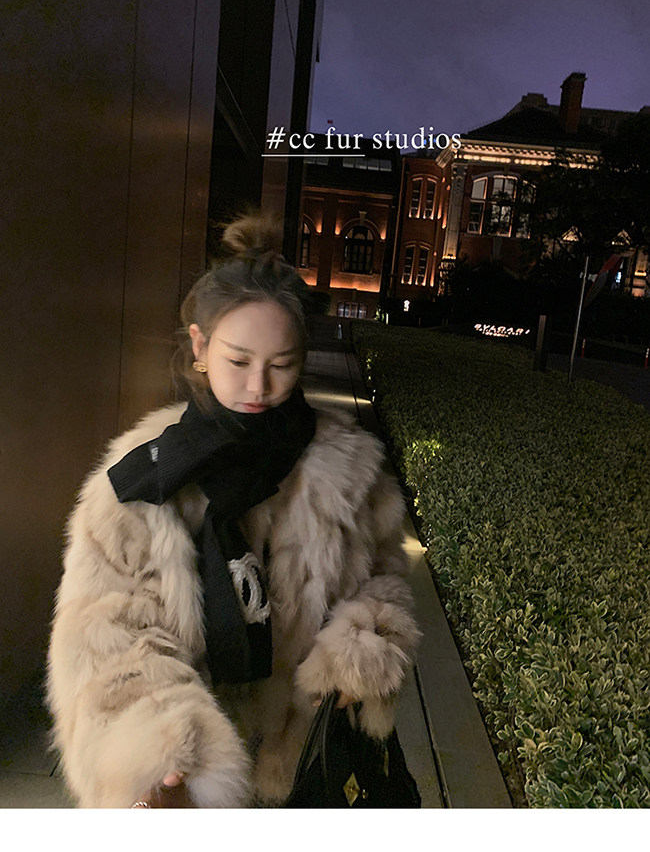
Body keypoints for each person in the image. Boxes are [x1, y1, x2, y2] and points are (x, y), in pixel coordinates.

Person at [47, 214, 420, 808]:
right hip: (192, 789)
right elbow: (102, 640)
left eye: (282, 364)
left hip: (306, 757)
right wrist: (161, 747)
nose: (259, 387)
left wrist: (360, 653)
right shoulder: (142, 477)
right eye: (239, 361)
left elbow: (383, 579)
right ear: (200, 346)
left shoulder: (351, 470)